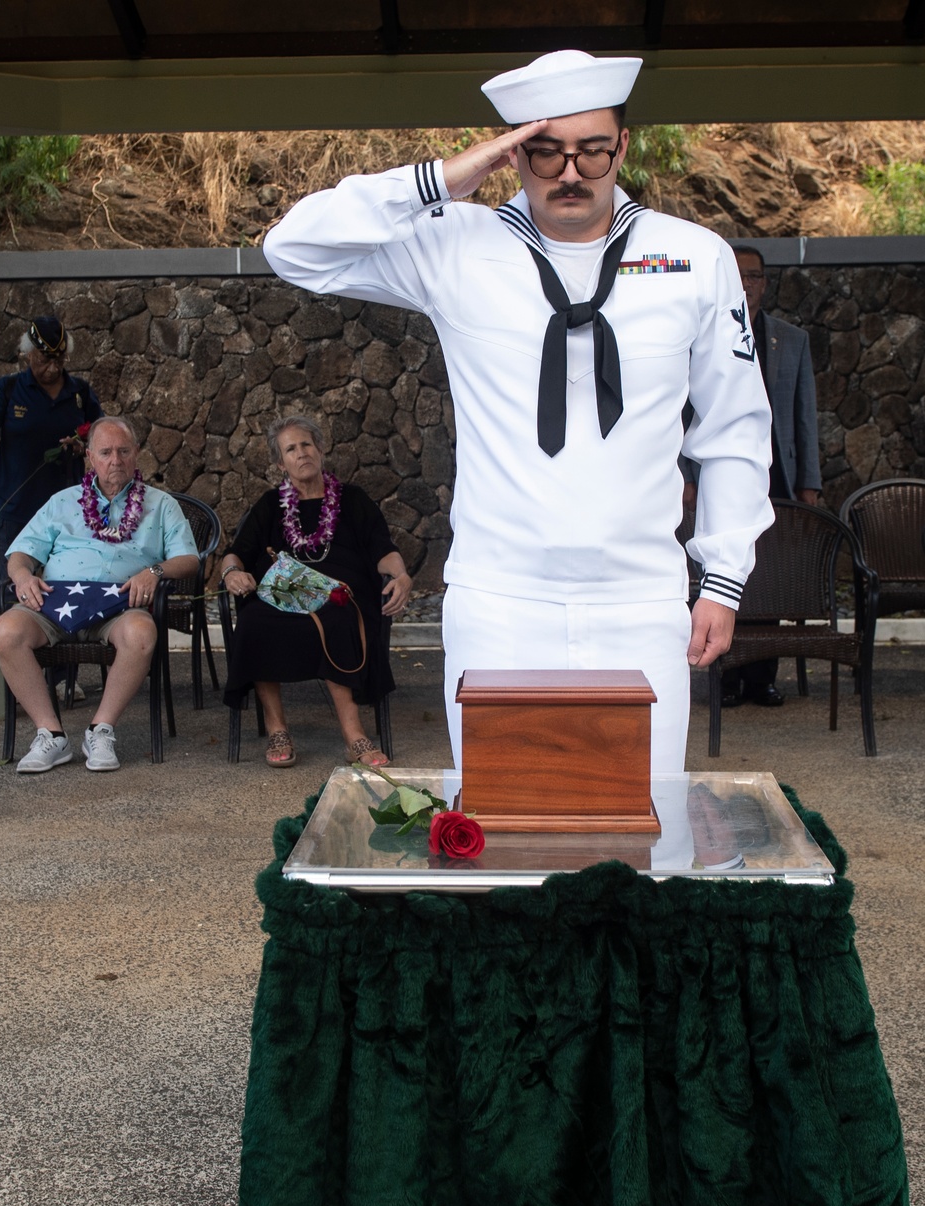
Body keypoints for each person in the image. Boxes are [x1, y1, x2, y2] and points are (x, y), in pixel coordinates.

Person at [263, 49, 774, 773]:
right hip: (500, 598)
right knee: (500, 824)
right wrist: (441, 180)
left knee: (641, 823)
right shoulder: (456, 246)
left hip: (638, 598)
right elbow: (292, 248)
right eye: (545, 151)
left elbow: (735, 427)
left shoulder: (693, 256)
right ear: (512, 153)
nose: (570, 172)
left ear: (623, 146)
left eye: (593, 151)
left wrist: (723, 577)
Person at [0, 417, 198, 773]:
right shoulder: (63, 501)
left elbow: (189, 559)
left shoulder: (161, 505)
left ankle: (100, 730)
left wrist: (155, 571)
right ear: (90, 458)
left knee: (141, 633)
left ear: (136, 455)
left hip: (120, 604)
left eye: (123, 451)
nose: (115, 459)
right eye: (105, 452)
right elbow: (21, 553)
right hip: (56, 600)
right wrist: (22, 575)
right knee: (5, 632)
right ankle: (51, 735)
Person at [220, 415, 412, 768]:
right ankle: (277, 728)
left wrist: (401, 575)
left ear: (321, 450)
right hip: (285, 597)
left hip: (342, 597)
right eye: (291, 449)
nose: (301, 453)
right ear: (281, 463)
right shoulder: (269, 505)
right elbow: (237, 552)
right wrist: (232, 572)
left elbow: (381, 548)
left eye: (307, 444)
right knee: (252, 621)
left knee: (335, 615)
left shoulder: (352, 500)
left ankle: (354, 735)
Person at [719, 244, 822, 709]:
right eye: (738, 274)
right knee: (727, 571)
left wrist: (810, 484)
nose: (746, 282)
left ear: (764, 282)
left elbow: (805, 416)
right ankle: (728, 677)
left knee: (772, 573)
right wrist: (688, 477)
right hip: (721, 474)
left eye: (754, 275)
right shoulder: (711, 331)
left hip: (778, 474)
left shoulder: (790, 339)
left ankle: (763, 678)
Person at [0, 315, 103, 574]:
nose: (53, 368)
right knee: (14, 585)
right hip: (16, 508)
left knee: (66, 582)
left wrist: (82, 445)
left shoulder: (80, 392)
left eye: (59, 360)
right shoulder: (8, 390)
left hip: (68, 510)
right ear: (28, 355)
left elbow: (101, 434)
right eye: (45, 360)